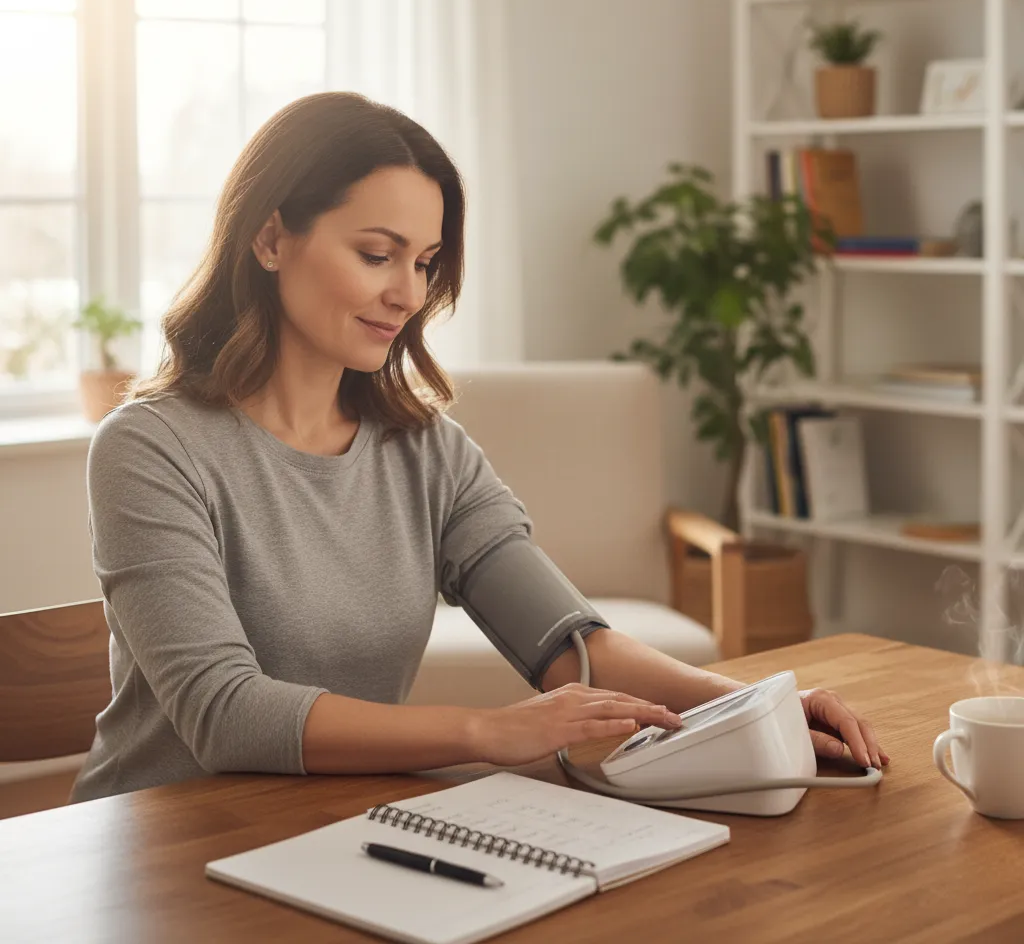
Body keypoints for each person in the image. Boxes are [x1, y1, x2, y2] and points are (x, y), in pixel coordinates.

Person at [70, 92, 889, 803]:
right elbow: (225, 714)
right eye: (376, 254)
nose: (408, 294)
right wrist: (488, 731)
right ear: (271, 238)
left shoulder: (427, 452)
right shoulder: (150, 449)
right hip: (157, 841)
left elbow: (572, 650)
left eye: (424, 263)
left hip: (334, 824)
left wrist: (757, 702)